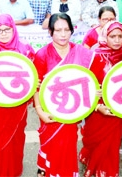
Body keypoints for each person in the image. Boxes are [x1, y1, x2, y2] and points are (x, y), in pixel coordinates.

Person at [33, 13, 94, 177]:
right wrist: (40, 111)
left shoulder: (82, 53)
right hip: (49, 111)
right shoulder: (41, 55)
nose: (62, 34)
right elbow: (36, 87)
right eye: (58, 30)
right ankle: (48, 171)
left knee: (67, 146)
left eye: (66, 30)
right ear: (50, 32)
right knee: (51, 145)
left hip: (72, 111)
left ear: (72, 31)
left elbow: (89, 82)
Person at [80, 21, 122, 177]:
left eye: (120, 36)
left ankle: (106, 171)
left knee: (111, 142)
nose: (117, 40)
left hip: (119, 107)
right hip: (98, 108)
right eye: (112, 36)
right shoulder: (94, 56)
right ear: (105, 37)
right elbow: (87, 84)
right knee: (94, 138)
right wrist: (97, 106)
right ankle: (91, 162)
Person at [0, 14, 35, 177]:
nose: (4, 33)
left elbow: (33, 74)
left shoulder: (25, 48)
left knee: (17, 136)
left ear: (13, 29)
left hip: (18, 105)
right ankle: (0, 171)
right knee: (1, 139)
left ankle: (14, 169)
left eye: (7, 29)